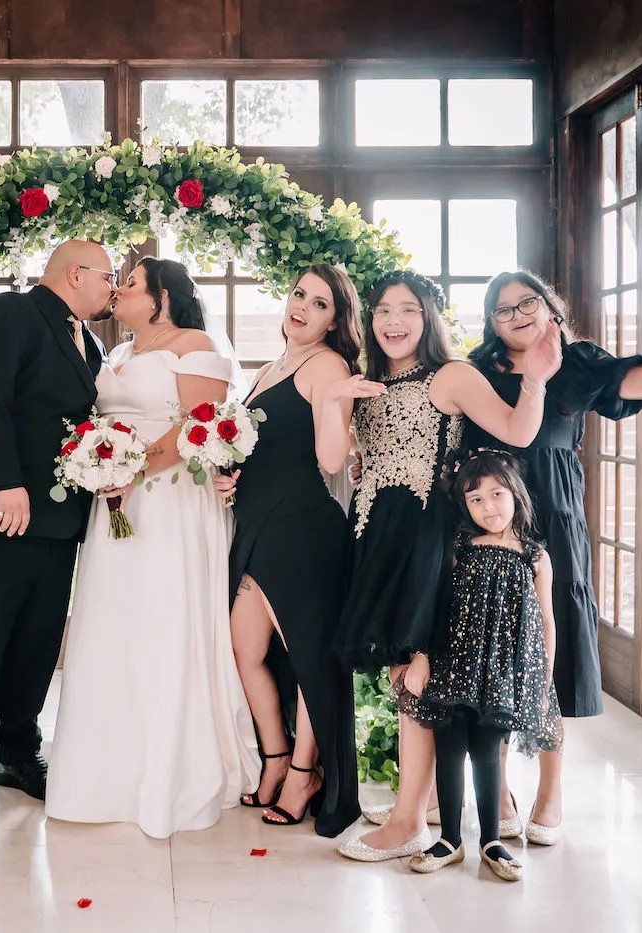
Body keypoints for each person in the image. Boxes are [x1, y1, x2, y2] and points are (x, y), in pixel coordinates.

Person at [466, 249, 642, 845]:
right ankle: (497, 788)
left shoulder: (578, 363)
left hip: (555, 518)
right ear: (491, 324)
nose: (518, 314)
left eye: (527, 302)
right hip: (490, 525)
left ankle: (551, 791)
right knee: (493, 649)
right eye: (503, 311)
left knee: (556, 651)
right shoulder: (477, 370)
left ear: (549, 306)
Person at [329, 269, 559, 862]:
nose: (393, 322)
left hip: (426, 539)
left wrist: (533, 380)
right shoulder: (370, 383)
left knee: (415, 673)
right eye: (382, 310)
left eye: (408, 310)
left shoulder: (450, 377)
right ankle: (425, 799)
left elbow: (517, 430)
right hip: (377, 534)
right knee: (402, 671)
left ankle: (409, 820)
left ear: (428, 317)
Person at [46, 258, 257, 838]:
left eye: (130, 284)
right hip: (115, 500)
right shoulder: (114, 354)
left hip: (170, 500)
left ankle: (172, 772)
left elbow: (199, 424)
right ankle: (104, 771)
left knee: (165, 620)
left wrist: (131, 469)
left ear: (162, 297)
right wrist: (98, 462)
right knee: (114, 624)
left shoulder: (196, 345)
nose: (118, 290)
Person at [0, 240, 115, 836]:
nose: (114, 286)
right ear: (76, 273)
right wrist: (3, 483)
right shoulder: (3, 311)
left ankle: (16, 752)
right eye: (109, 275)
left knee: (37, 644)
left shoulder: (93, 342)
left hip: (60, 519)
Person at [211, 264, 364, 838]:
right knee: (244, 648)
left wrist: (335, 404)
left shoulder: (327, 365)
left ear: (335, 320)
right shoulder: (272, 365)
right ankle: (275, 757)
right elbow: (256, 447)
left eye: (320, 303)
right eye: (299, 293)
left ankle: (305, 773)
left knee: (308, 658)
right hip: (257, 523)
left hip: (301, 530)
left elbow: (329, 462)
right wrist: (230, 477)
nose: (302, 306)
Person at [406, 449, 561, 883]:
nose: (488, 507)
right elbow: (435, 608)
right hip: (454, 663)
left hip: (502, 673)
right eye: (476, 499)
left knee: (488, 753)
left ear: (516, 494)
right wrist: (423, 656)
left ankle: (490, 840)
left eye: (497, 494)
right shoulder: (459, 547)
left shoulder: (534, 556)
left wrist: (542, 676)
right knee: (450, 749)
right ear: (464, 505)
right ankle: (450, 840)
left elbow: (546, 621)